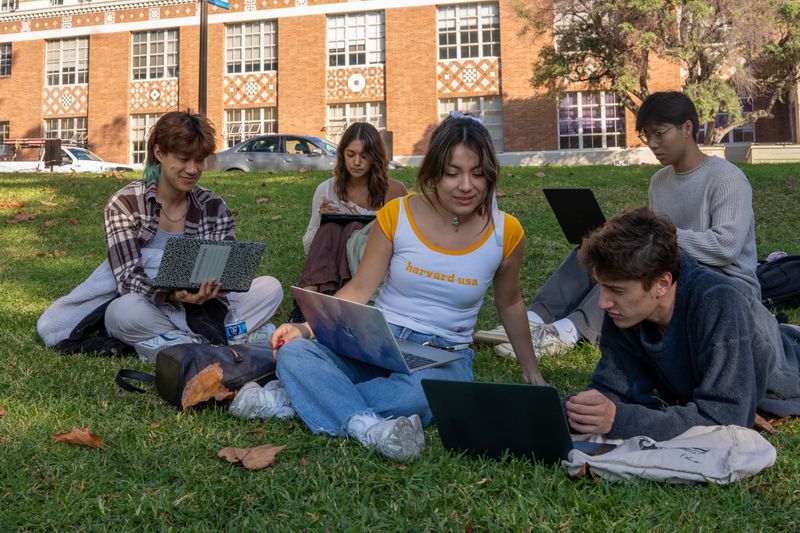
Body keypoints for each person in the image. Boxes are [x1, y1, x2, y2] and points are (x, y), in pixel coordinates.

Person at [229, 113, 546, 462]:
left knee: (423, 397)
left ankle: (293, 400)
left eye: (478, 173)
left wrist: (532, 373)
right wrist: (306, 329)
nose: (466, 186)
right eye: (453, 173)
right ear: (434, 172)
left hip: (444, 355)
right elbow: (360, 289)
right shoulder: (398, 215)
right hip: (379, 340)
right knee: (295, 353)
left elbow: (511, 303)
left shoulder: (507, 233)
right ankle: (368, 426)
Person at [476, 91, 759, 359]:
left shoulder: (726, 178)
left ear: (687, 128)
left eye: (659, 134)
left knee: (631, 263)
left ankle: (567, 332)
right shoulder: (659, 181)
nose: (652, 144)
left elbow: (726, 248)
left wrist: (655, 239)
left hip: (725, 285)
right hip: (673, 271)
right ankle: (534, 320)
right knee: (594, 248)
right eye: (647, 136)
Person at [564, 207, 800, 441]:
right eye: (601, 287)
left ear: (662, 283)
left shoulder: (718, 302)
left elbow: (727, 417)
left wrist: (621, 420)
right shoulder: (625, 310)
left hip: (790, 365)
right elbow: (614, 388)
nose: (603, 302)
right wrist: (571, 410)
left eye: (616, 290)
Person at [103, 110, 283, 360]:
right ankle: (223, 337)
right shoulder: (125, 203)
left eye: (199, 160)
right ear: (159, 153)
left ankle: (180, 344)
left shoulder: (213, 205)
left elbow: (226, 268)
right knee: (120, 313)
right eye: (184, 158)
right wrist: (173, 295)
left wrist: (214, 289)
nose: (192, 169)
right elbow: (127, 278)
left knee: (271, 288)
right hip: (154, 304)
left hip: (208, 306)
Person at [288, 123, 406, 321]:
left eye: (364, 156)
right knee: (331, 225)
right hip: (330, 263)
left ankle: (326, 303)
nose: (357, 162)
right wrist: (321, 221)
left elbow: (403, 243)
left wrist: (363, 221)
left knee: (354, 226)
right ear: (342, 154)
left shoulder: (394, 190)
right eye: (350, 154)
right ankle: (306, 305)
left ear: (375, 157)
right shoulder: (326, 189)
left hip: (372, 266)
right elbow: (309, 246)